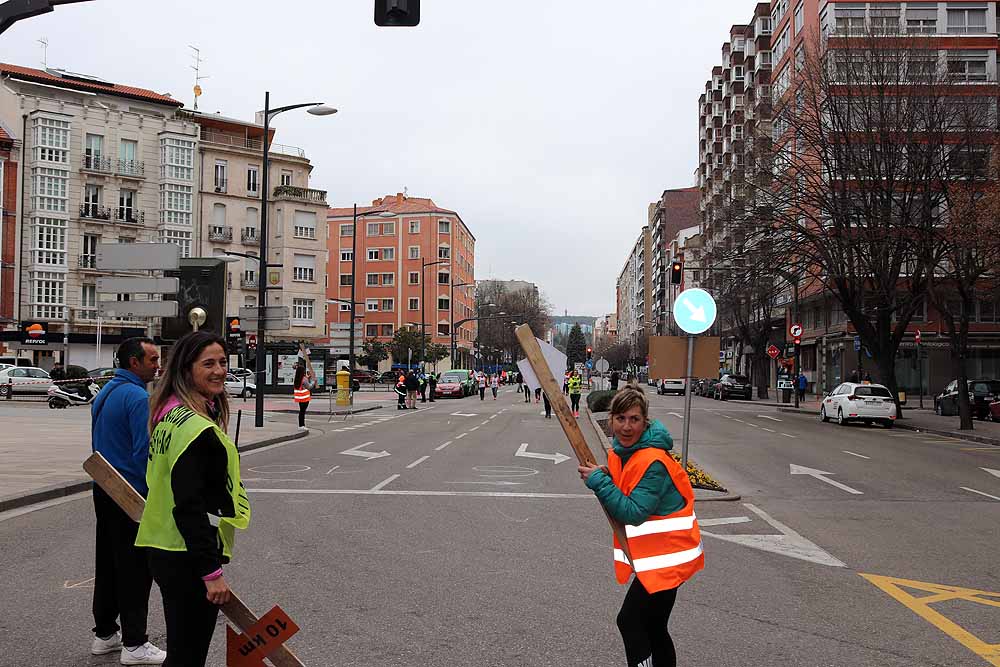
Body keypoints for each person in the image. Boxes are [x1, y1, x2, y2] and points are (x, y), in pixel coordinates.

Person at [137, 332, 251, 667]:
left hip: (163, 547)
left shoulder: (170, 414)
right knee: (188, 656)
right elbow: (190, 506)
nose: (219, 370)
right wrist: (211, 571)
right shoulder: (196, 430)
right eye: (208, 364)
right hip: (184, 554)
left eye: (223, 362)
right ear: (187, 370)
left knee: (182, 651)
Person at [577, 386, 703, 667]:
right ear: (610, 419)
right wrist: (607, 474)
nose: (626, 426)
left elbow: (633, 512)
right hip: (663, 557)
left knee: (630, 621)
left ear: (645, 421)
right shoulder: (626, 453)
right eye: (620, 418)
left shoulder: (652, 460)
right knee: (654, 626)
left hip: (668, 558)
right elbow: (629, 484)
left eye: (634, 419)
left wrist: (599, 482)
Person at [89, 337, 166, 665]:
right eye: (151, 360)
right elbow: (142, 453)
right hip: (130, 494)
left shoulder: (106, 391)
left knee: (107, 562)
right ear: (134, 363)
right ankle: (134, 643)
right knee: (136, 568)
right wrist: (155, 493)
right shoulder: (137, 397)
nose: (157, 365)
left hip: (104, 485)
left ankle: (105, 634)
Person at [293, 362, 315, 430]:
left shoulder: (297, 379)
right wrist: (313, 382)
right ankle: (302, 425)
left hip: (299, 398)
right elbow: (309, 387)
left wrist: (307, 378)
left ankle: (301, 425)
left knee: (301, 411)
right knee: (302, 412)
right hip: (305, 398)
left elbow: (303, 384)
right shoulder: (304, 379)